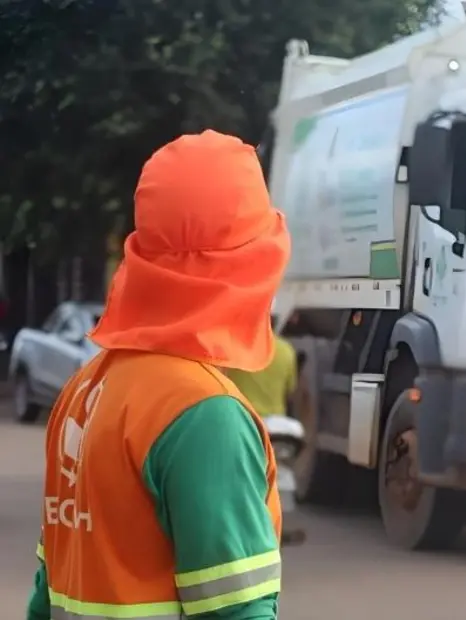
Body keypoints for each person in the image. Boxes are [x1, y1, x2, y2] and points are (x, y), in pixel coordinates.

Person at [27, 130, 290, 620]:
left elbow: (48, 591)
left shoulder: (85, 390)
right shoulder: (203, 414)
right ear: (253, 264)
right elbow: (236, 611)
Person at [226, 316, 298, 422]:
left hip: (242, 418)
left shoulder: (234, 347)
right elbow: (290, 393)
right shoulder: (287, 351)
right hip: (276, 423)